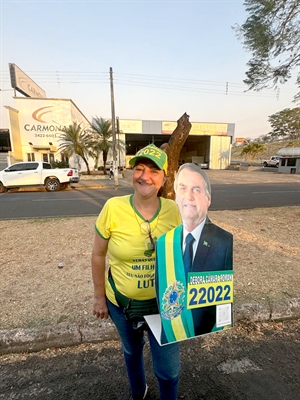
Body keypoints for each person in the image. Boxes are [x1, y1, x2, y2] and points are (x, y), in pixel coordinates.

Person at [91, 144, 182, 400]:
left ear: (165, 178)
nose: (145, 176)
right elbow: (98, 254)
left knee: (169, 370)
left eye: (154, 171)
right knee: (131, 352)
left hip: (164, 307)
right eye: (139, 168)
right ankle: (137, 393)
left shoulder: (174, 211)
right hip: (121, 304)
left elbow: (185, 258)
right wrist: (99, 297)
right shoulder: (113, 207)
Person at [155, 163, 233, 344]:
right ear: (175, 197)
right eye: (182, 188)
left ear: (208, 199)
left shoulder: (225, 241)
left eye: (196, 190)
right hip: (170, 334)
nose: (188, 196)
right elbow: (161, 293)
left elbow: (224, 303)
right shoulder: (164, 242)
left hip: (208, 339)